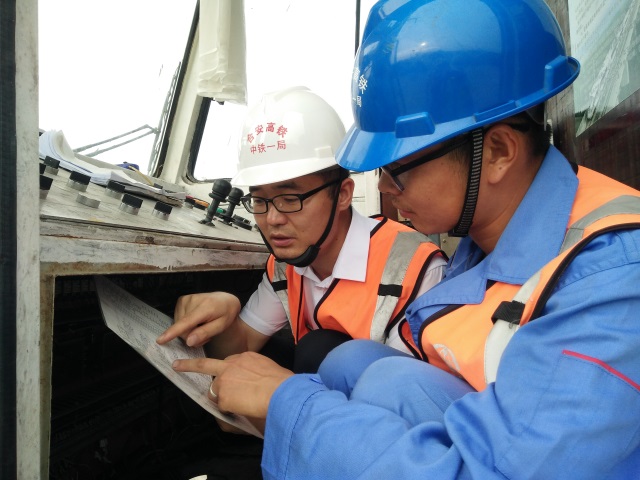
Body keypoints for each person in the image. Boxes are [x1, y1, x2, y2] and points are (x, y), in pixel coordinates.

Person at [172, 1, 640, 478]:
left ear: (497, 152)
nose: (385, 189)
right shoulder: (484, 245)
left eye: (397, 168)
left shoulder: (613, 279)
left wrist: (287, 404)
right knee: (351, 363)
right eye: (261, 200)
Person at [159, 86, 446, 376]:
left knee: (318, 349)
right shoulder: (286, 265)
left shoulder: (415, 268)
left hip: (374, 400)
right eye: (259, 200)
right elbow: (240, 348)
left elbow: (402, 393)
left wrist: (285, 394)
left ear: (343, 194)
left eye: (290, 199)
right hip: (324, 393)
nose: (272, 219)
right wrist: (224, 317)